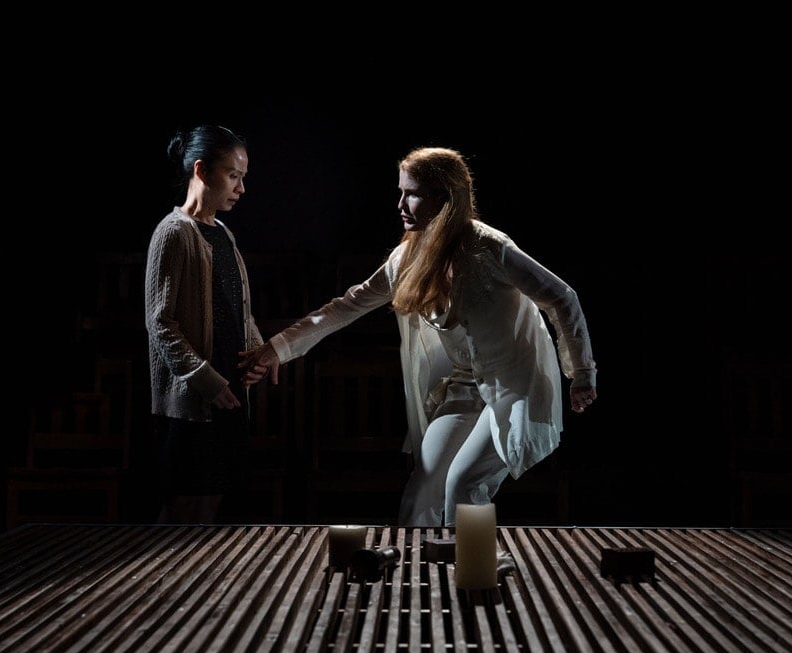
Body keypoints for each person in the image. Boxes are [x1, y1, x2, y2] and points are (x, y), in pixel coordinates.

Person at [238, 146, 597, 527]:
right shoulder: (407, 259)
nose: (400, 205)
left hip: (513, 384)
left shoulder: (489, 247)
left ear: (445, 199)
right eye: (401, 192)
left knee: (464, 482)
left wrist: (581, 373)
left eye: (412, 194)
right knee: (423, 487)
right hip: (463, 387)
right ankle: (417, 563)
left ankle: (471, 563)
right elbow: (346, 306)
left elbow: (562, 297)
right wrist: (277, 348)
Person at [145, 125, 269, 523]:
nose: (241, 188)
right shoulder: (173, 232)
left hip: (228, 393)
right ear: (201, 170)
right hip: (192, 401)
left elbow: (238, 308)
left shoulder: (224, 234)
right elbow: (160, 323)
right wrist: (205, 380)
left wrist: (258, 352)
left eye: (242, 177)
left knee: (212, 503)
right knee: (182, 508)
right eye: (233, 176)